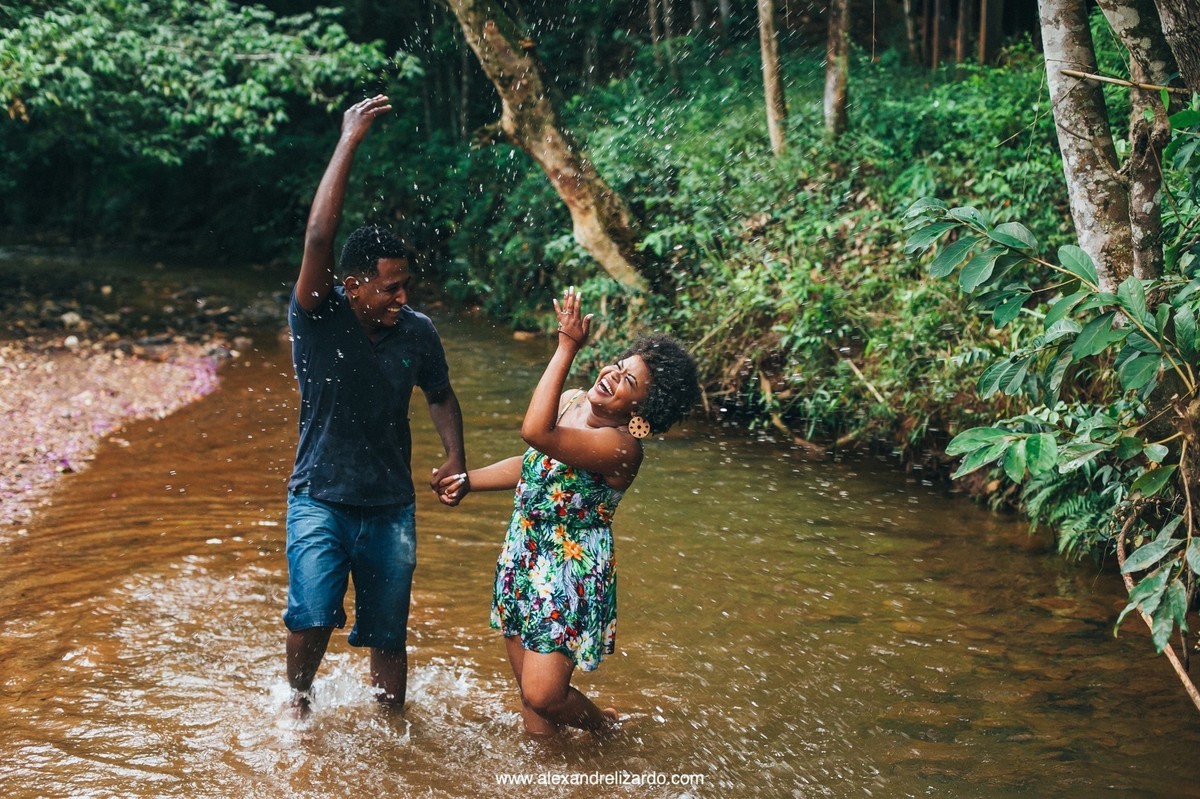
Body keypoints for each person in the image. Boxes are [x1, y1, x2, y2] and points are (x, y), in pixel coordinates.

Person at [439, 287, 700, 736]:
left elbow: (535, 433)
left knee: (545, 695)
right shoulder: (573, 400)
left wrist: (565, 348)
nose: (612, 377)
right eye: (618, 367)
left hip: (567, 568)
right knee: (532, 705)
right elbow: (533, 463)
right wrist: (470, 480)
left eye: (628, 383)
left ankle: (605, 729)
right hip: (524, 550)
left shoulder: (622, 448)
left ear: (642, 412)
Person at [283, 94, 468, 716]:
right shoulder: (317, 315)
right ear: (352, 282)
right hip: (320, 496)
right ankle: (298, 706)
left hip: (390, 505)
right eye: (391, 286)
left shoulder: (416, 331)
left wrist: (454, 457)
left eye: (406, 285)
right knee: (311, 617)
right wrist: (349, 140)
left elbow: (440, 394)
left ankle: (394, 735)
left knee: (389, 636)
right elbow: (317, 235)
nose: (403, 295)